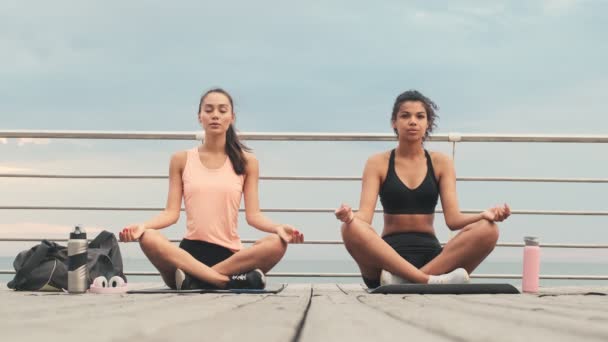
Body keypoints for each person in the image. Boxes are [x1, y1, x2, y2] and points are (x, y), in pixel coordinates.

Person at [119, 88, 304, 290]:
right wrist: (142, 226)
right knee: (149, 237)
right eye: (209, 110)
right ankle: (224, 282)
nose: (215, 115)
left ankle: (197, 281)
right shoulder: (181, 159)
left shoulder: (248, 162)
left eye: (222, 110)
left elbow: (254, 216)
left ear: (231, 117)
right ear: (200, 117)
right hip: (187, 258)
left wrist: (277, 228)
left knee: (277, 243)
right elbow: (170, 213)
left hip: (230, 258)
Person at [335, 90, 510, 288]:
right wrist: (349, 216)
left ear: (427, 123)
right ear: (394, 122)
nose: (412, 121)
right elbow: (364, 217)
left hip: (433, 259)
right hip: (387, 259)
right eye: (405, 116)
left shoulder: (441, 162)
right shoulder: (377, 163)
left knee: (489, 230)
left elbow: (453, 221)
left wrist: (483, 215)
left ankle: (408, 280)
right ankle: (425, 281)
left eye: (420, 116)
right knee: (349, 228)